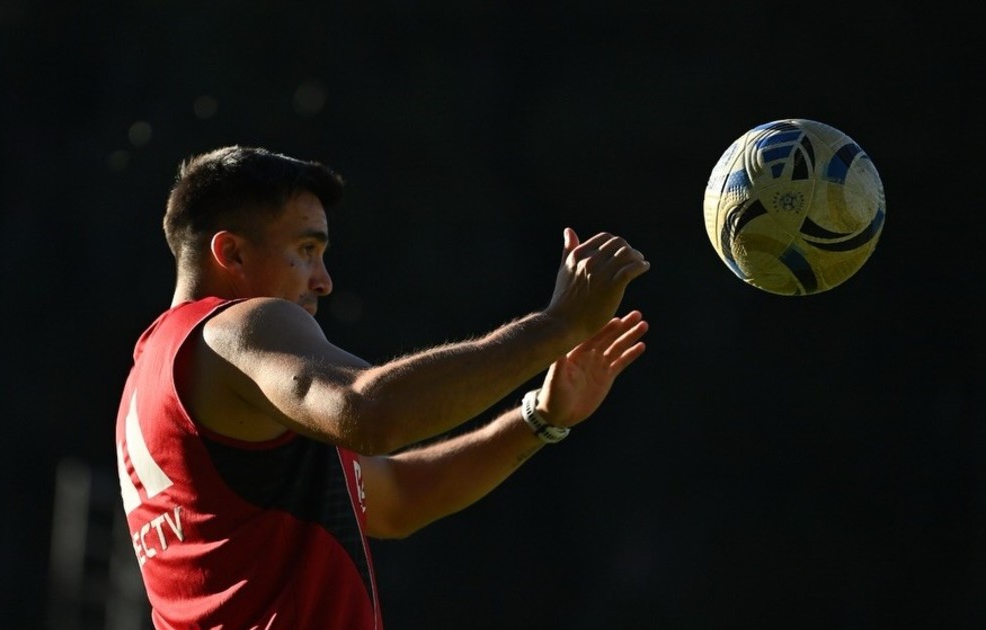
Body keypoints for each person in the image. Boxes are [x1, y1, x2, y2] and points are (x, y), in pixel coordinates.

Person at [113, 145, 651, 629]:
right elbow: (368, 412)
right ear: (231, 253)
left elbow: (394, 499)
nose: (323, 280)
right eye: (306, 248)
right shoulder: (236, 327)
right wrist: (558, 326)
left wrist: (540, 418)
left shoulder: (153, 376)